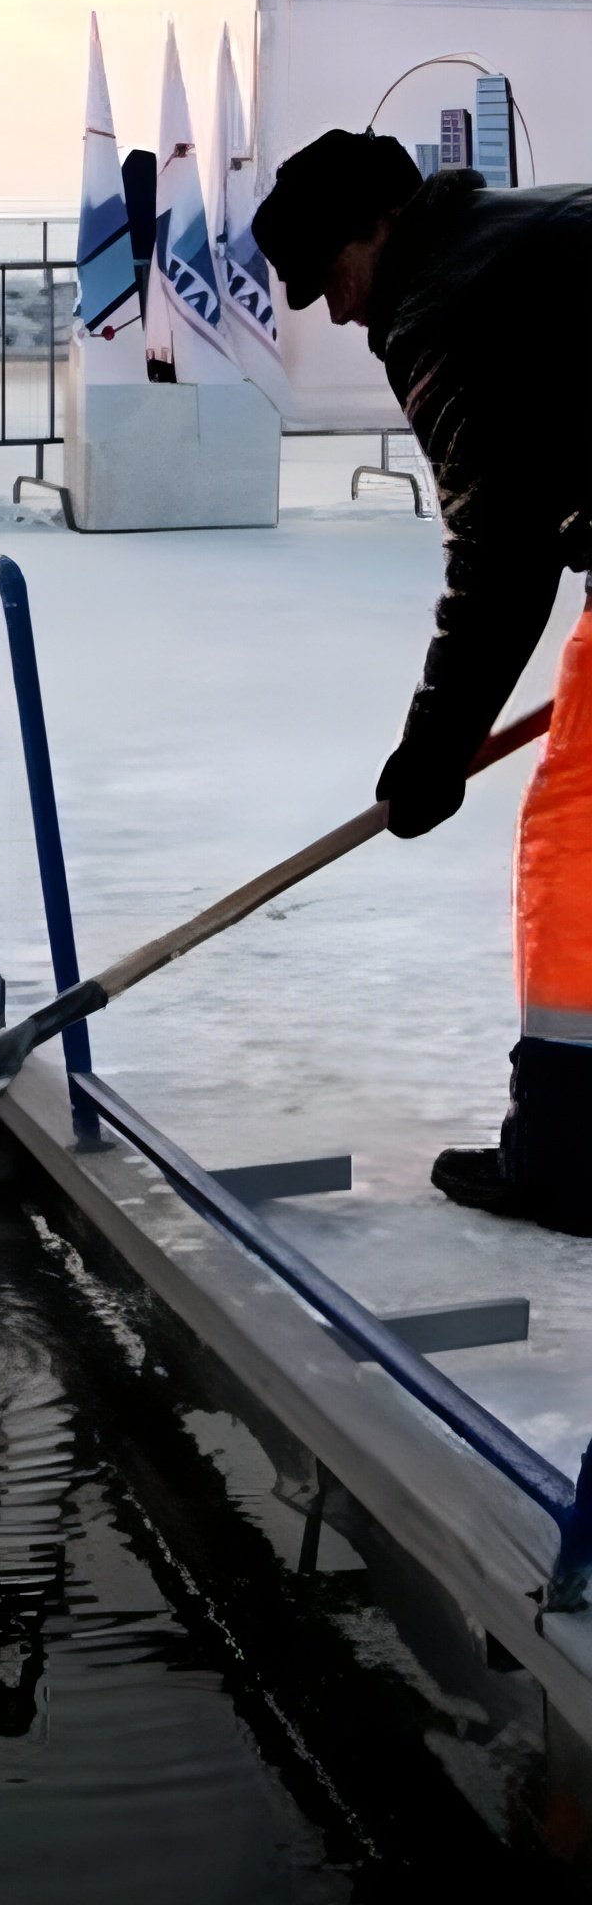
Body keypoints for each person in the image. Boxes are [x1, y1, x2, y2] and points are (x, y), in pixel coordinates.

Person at [251, 130, 592, 1234]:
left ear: (378, 229)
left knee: (576, 845)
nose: (338, 313)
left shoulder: (447, 301)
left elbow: (499, 554)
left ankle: (570, 1154)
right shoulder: (536, 233)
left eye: (330, 278)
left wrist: (435, 748)